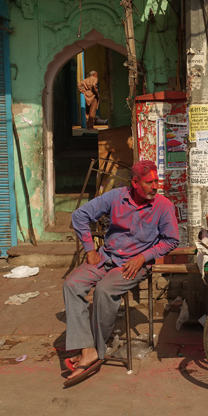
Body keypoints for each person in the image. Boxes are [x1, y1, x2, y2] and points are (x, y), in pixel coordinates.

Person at [61, 160, 178, 388]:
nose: (155, 186)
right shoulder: (116, 196)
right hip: (107, 257)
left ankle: (95, 348)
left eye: (157, 181)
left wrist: (144, 257)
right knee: (72, 285)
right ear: (135, 183)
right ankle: (89, 349)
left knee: (104, 291)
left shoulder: (164, 206)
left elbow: (171, 240)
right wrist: (90, 250)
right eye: (149, 182)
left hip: (134, 264)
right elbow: (80, 216)